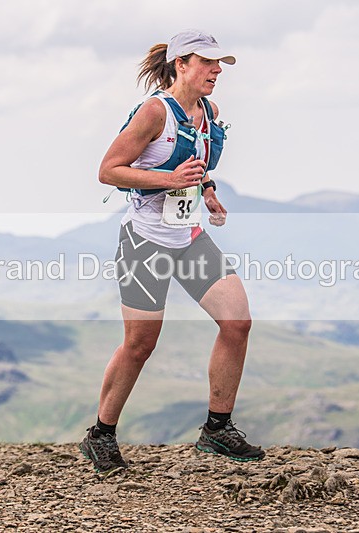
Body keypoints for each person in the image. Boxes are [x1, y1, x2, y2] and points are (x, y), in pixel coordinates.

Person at [79, 29, 264, 476]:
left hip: (188, 238)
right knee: (140, 344)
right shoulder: (154, 112)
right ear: (181, 64)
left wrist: (208, 190)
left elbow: (195, 168)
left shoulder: (209, 112)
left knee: (237, 322)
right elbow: (108, 171)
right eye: (207, 63)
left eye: (220, 65)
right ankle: (100, 435)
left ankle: (217, 430)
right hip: (144, 242)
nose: (217, 71)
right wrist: (171, 181)